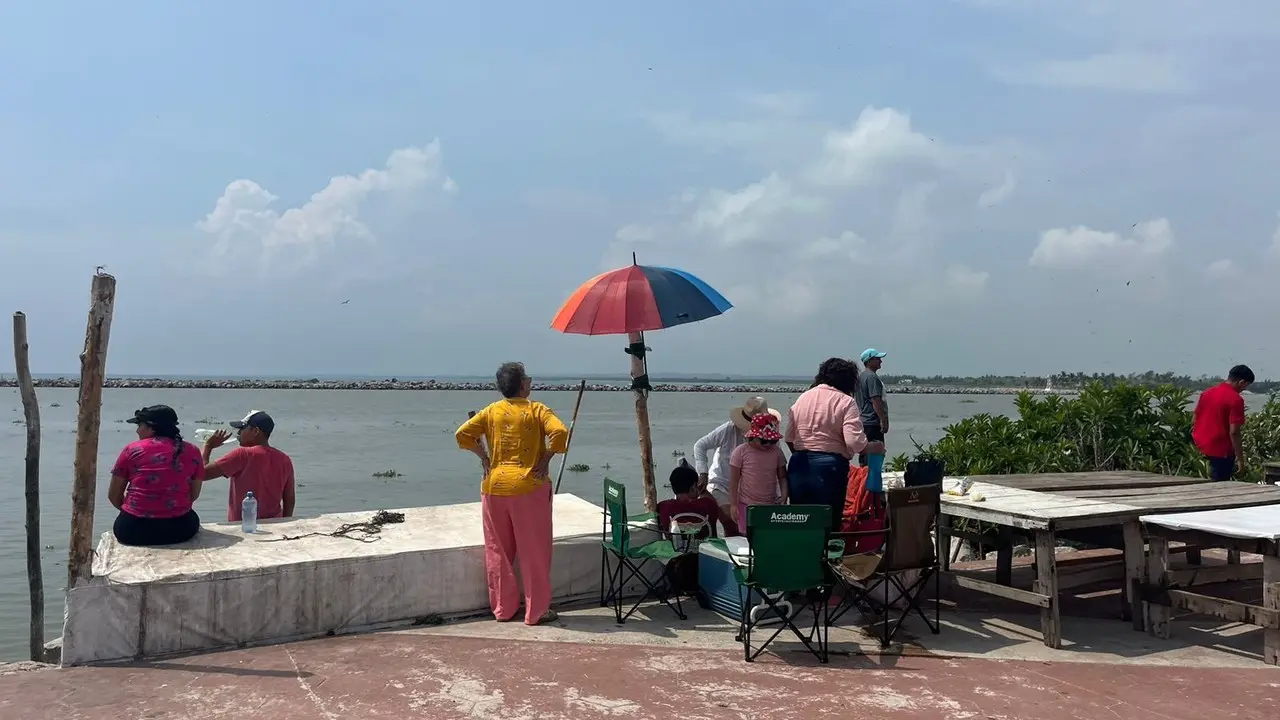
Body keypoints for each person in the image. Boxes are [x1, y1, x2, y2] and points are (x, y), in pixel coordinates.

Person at [456, 362, 569, 626]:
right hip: (529, 486)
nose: (530, 382)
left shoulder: (491, 412)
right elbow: (560, 432)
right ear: (522, 385)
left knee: (498, 551)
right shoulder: (537, 409)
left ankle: (503, 609)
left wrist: (484, 457)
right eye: (528, 378)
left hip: (494, 487)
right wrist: (547, 458)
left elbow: (462, 434)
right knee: (534, 552)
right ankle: (535, 611)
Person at [785, 358, 885, 523]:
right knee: (828, 522)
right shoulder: (846, 402)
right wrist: (874, 447)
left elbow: (789, 438)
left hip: (798, 465)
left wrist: (805, 454)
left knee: (800, 521)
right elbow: (855, 443)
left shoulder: (803, 398)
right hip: (830, 467)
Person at [108, 405, 204, 546]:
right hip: (181, 529)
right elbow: (194, 494)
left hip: (132, 530)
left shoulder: (132, 450)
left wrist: (136, 512)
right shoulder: (193, 451)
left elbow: (113, 495)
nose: (137, 430)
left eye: (140, 425)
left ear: (151, 428)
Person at [691, 396, 780, 535]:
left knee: (752, 529)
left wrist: (778, 495)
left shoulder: (769, 439)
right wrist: (703, 472)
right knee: (732, 523)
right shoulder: (728, 429)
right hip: (722, 485)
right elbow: (700, 445)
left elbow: (774, 469)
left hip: (752, 491)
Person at [201, 410, 296, 522]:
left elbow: (201, 474)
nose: (239, 433)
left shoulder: (242, 454)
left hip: (244, 526)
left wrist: (208, 446)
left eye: (242, 429)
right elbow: (289, 499)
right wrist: (284, 523)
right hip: (274, 524)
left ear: (255, 431)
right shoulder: (285, 459)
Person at [1192, 365, 1254, 480]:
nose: (1244, 389)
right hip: (1221, 450)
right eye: (1246, 385)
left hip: (1200, 446)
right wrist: (1240, 459)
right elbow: (1234, 432)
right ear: (1241, 382)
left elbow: (1195, 418)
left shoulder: (1206, 393)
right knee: (1219, 486)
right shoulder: (1236, 399)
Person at [729, 413, 790, 529]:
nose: (768, 444)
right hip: (746, 504)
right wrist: (733, 505)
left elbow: (782, 477)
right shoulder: (740, 452)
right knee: (748, 536)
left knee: (768, 535)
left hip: (770, 505)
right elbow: (734, 481)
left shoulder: (776, 452)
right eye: (763, 441)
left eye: (772, 441)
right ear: (753, 436)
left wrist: (784, 495)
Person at [657, 460, 721, 539]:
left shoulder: (663, 507)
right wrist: (702, 490)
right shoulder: (709, 504)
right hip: (707, 549)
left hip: (675, 550)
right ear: (693, 487)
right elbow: (717, 512)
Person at [856, 348, 889, 467]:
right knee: (876, 454)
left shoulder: (861, 377)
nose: (880, 361)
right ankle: (871, 482)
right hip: (872, 422)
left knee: (865, 455)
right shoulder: (872, 378)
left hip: (864, 421)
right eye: (877, 358)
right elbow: (876, 400)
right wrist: (883, 420)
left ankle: (863, 480)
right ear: (869, 361)